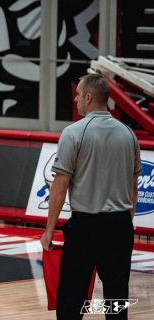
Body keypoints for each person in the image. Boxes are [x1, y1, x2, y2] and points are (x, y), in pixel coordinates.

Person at [40, 73, 141, 320]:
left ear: (88, 96)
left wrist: (49, 230)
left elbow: (59, 186)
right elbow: (133, 186)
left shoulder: (74, 133)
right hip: (119, 226)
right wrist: (126, 221)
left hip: (86, 226)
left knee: (71, 297)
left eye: (78, 95)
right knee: (117, 299)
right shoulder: (129, 134)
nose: (75, 100)